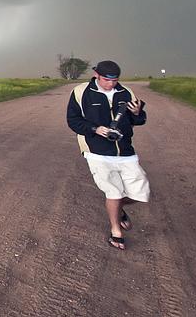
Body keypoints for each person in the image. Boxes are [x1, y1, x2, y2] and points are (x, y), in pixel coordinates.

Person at [67, 60, 148, 251]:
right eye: (106, 80)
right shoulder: (81, 92)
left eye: (114, 80)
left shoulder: (125, 92)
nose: (111, 84)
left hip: (125, 150)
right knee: (113, 191)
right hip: (96, 151)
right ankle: (115, 231)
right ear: (96, 74)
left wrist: (137, 113)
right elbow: (73, 121)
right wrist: (95, 129)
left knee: (141, 192)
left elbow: (138, 120)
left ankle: (118, 209)